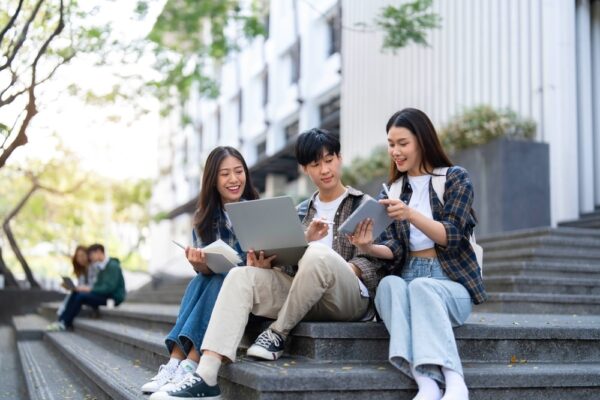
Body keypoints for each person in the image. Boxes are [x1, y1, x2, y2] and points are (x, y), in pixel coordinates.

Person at [153, 129, 386, 400]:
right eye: (315, 164)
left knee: (316, 254)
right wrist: (269, 264)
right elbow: (286, 266)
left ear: (339, 159)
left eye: (329, 160)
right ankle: (205, 375)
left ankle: (278, 332)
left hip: (347, 299)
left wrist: (333, 260)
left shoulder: (363, 205)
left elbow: (376, 264)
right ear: (304, 169)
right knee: (241, 275)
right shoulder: (298, 212)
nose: (324, 169)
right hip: (303, 296)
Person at [350, 108, 487, 400]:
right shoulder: (393, 190)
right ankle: (424, 382)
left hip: (449, 282)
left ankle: (454, 380)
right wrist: (366, 247)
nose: (395, 151)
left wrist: (410, 214)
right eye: (391, 144)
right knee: (387, 285)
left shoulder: (454, 179)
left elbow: (451, 235)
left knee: (424, 288)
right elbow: (394, 248)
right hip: (409, 275)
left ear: (422, 141)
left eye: (403, 143)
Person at [141, 146, 259, 394]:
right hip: (218, 295)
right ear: (213, 180)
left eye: (239, 171)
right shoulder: (204, 218)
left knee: (223, 279)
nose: (234, 179)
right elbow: (208, 270)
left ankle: (189, 363)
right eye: (225, 174)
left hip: (249, 296)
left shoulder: (257, 211)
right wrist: (199, 264)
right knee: (202, 281)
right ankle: (176, 363)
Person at [47, 243, 126, 331]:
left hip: (113, 299)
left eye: (91, 255)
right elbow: (99, 286)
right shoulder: (101, 266)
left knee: (81, 296)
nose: (90, 258)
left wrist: (90, 289)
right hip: (105, 296)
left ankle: (65, 322)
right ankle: (61, 321)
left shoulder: (112, 266)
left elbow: (109, 288)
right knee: (77, 293)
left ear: (99, 252)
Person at [56, 245, 99, 316]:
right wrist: (69, 287)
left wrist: (80, 289)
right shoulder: (81, 271)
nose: (80, 259)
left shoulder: (94, 267)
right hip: (84, 294)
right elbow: (80, 287)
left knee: (76, 295)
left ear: (87, 255)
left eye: (82, 255)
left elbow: (94, 286)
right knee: (73, 294)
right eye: (78, 257)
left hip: (94, 294)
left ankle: (63, 319)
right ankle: (62, 318)